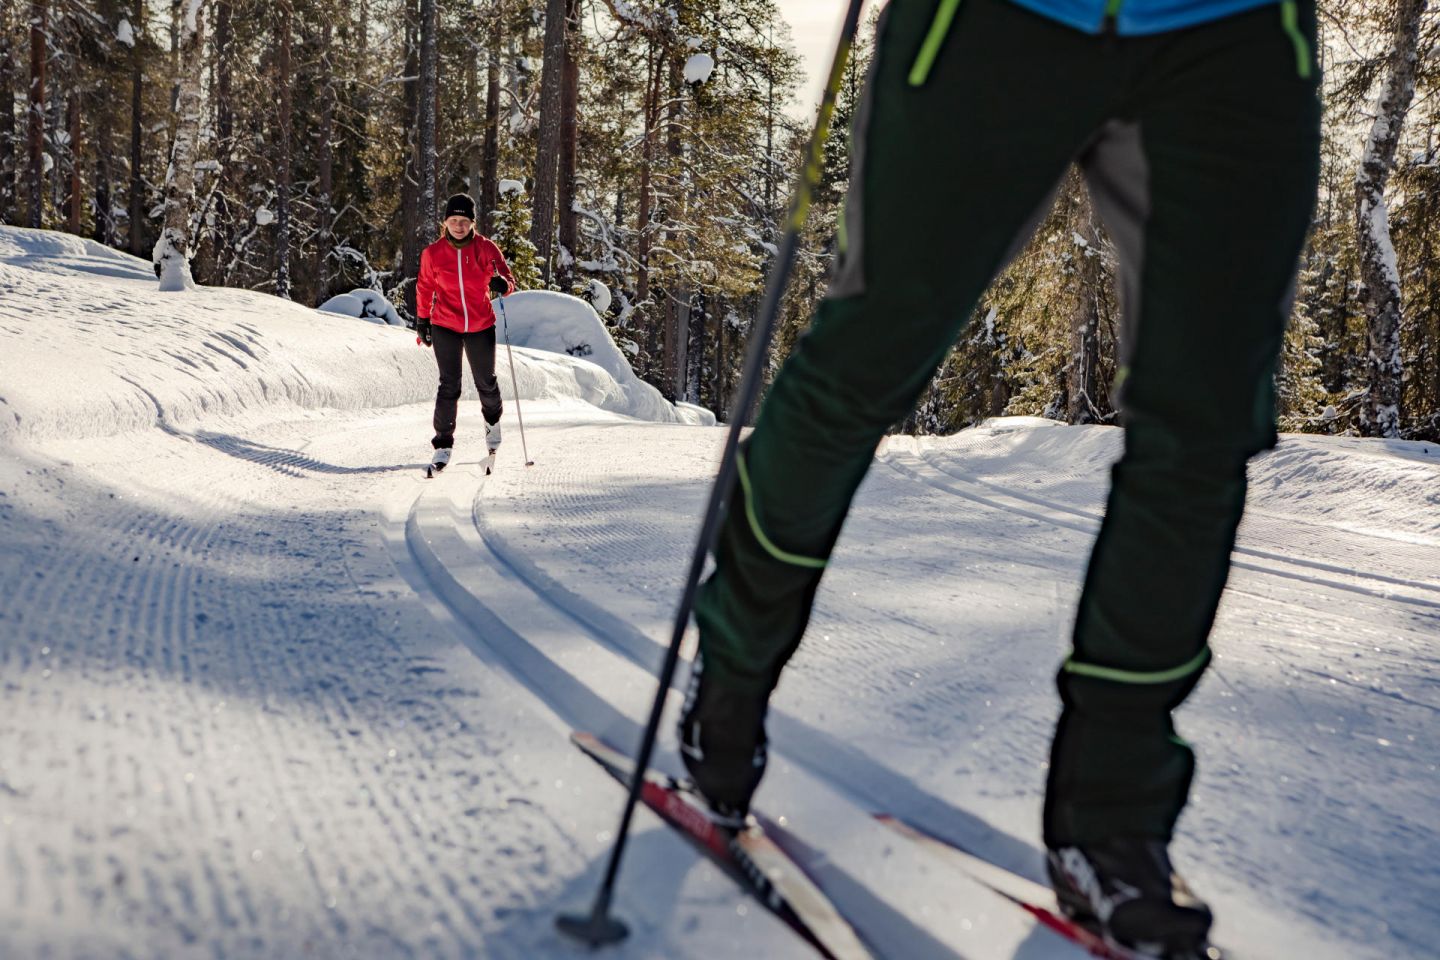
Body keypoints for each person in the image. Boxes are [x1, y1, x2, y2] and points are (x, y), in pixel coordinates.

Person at [677, 0, 1320, 956]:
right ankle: (729, 683)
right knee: (861, 362)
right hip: (994, 23)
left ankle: (1113, 821)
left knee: (1204, 427)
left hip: (1233, 33)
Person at [415, 193, 516, 471]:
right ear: (445, 222)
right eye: (453, 220)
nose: (459, 226)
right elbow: (424, 287)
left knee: (486, 381)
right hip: (445, 323)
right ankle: (443, 444)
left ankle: (492, 422)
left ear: (473, 223)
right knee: (449, 385)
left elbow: (508, 280)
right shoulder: (433, 253)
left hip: (480, 324)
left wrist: (502, 284)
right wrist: (423, 321)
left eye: (464, 221)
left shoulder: (485, 248)